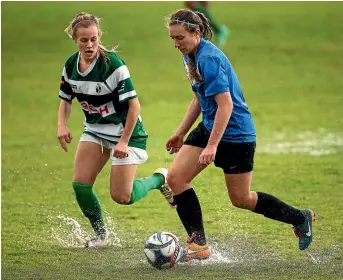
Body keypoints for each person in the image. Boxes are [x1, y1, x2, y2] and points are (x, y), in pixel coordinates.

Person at [164, 9, 316, 261]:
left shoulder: (209, 59)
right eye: (172, 38)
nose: (175, 43)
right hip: (211, 126)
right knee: (176, 178)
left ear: (196, 33)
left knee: (242, 199)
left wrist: (212, 146)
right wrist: (180, 132)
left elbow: (226, 106)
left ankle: (300, 218)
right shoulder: (189, 54)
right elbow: (199, 98)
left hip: (235, 135)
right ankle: (198, 244)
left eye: (180, 38)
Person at [57, 12, 174, 248]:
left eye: (93, 39)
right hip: (96, 131)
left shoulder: (114, 66)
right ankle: (102, 236)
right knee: (80, 185)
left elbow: (134, 106)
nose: (89, 45)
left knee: (122, 197)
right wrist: (62, 124)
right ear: (75, 40)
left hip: (127, 133)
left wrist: (123, 142)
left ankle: (160, 178)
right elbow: (66, 99)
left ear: (99, 36)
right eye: (83, 40)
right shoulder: (70, 66)